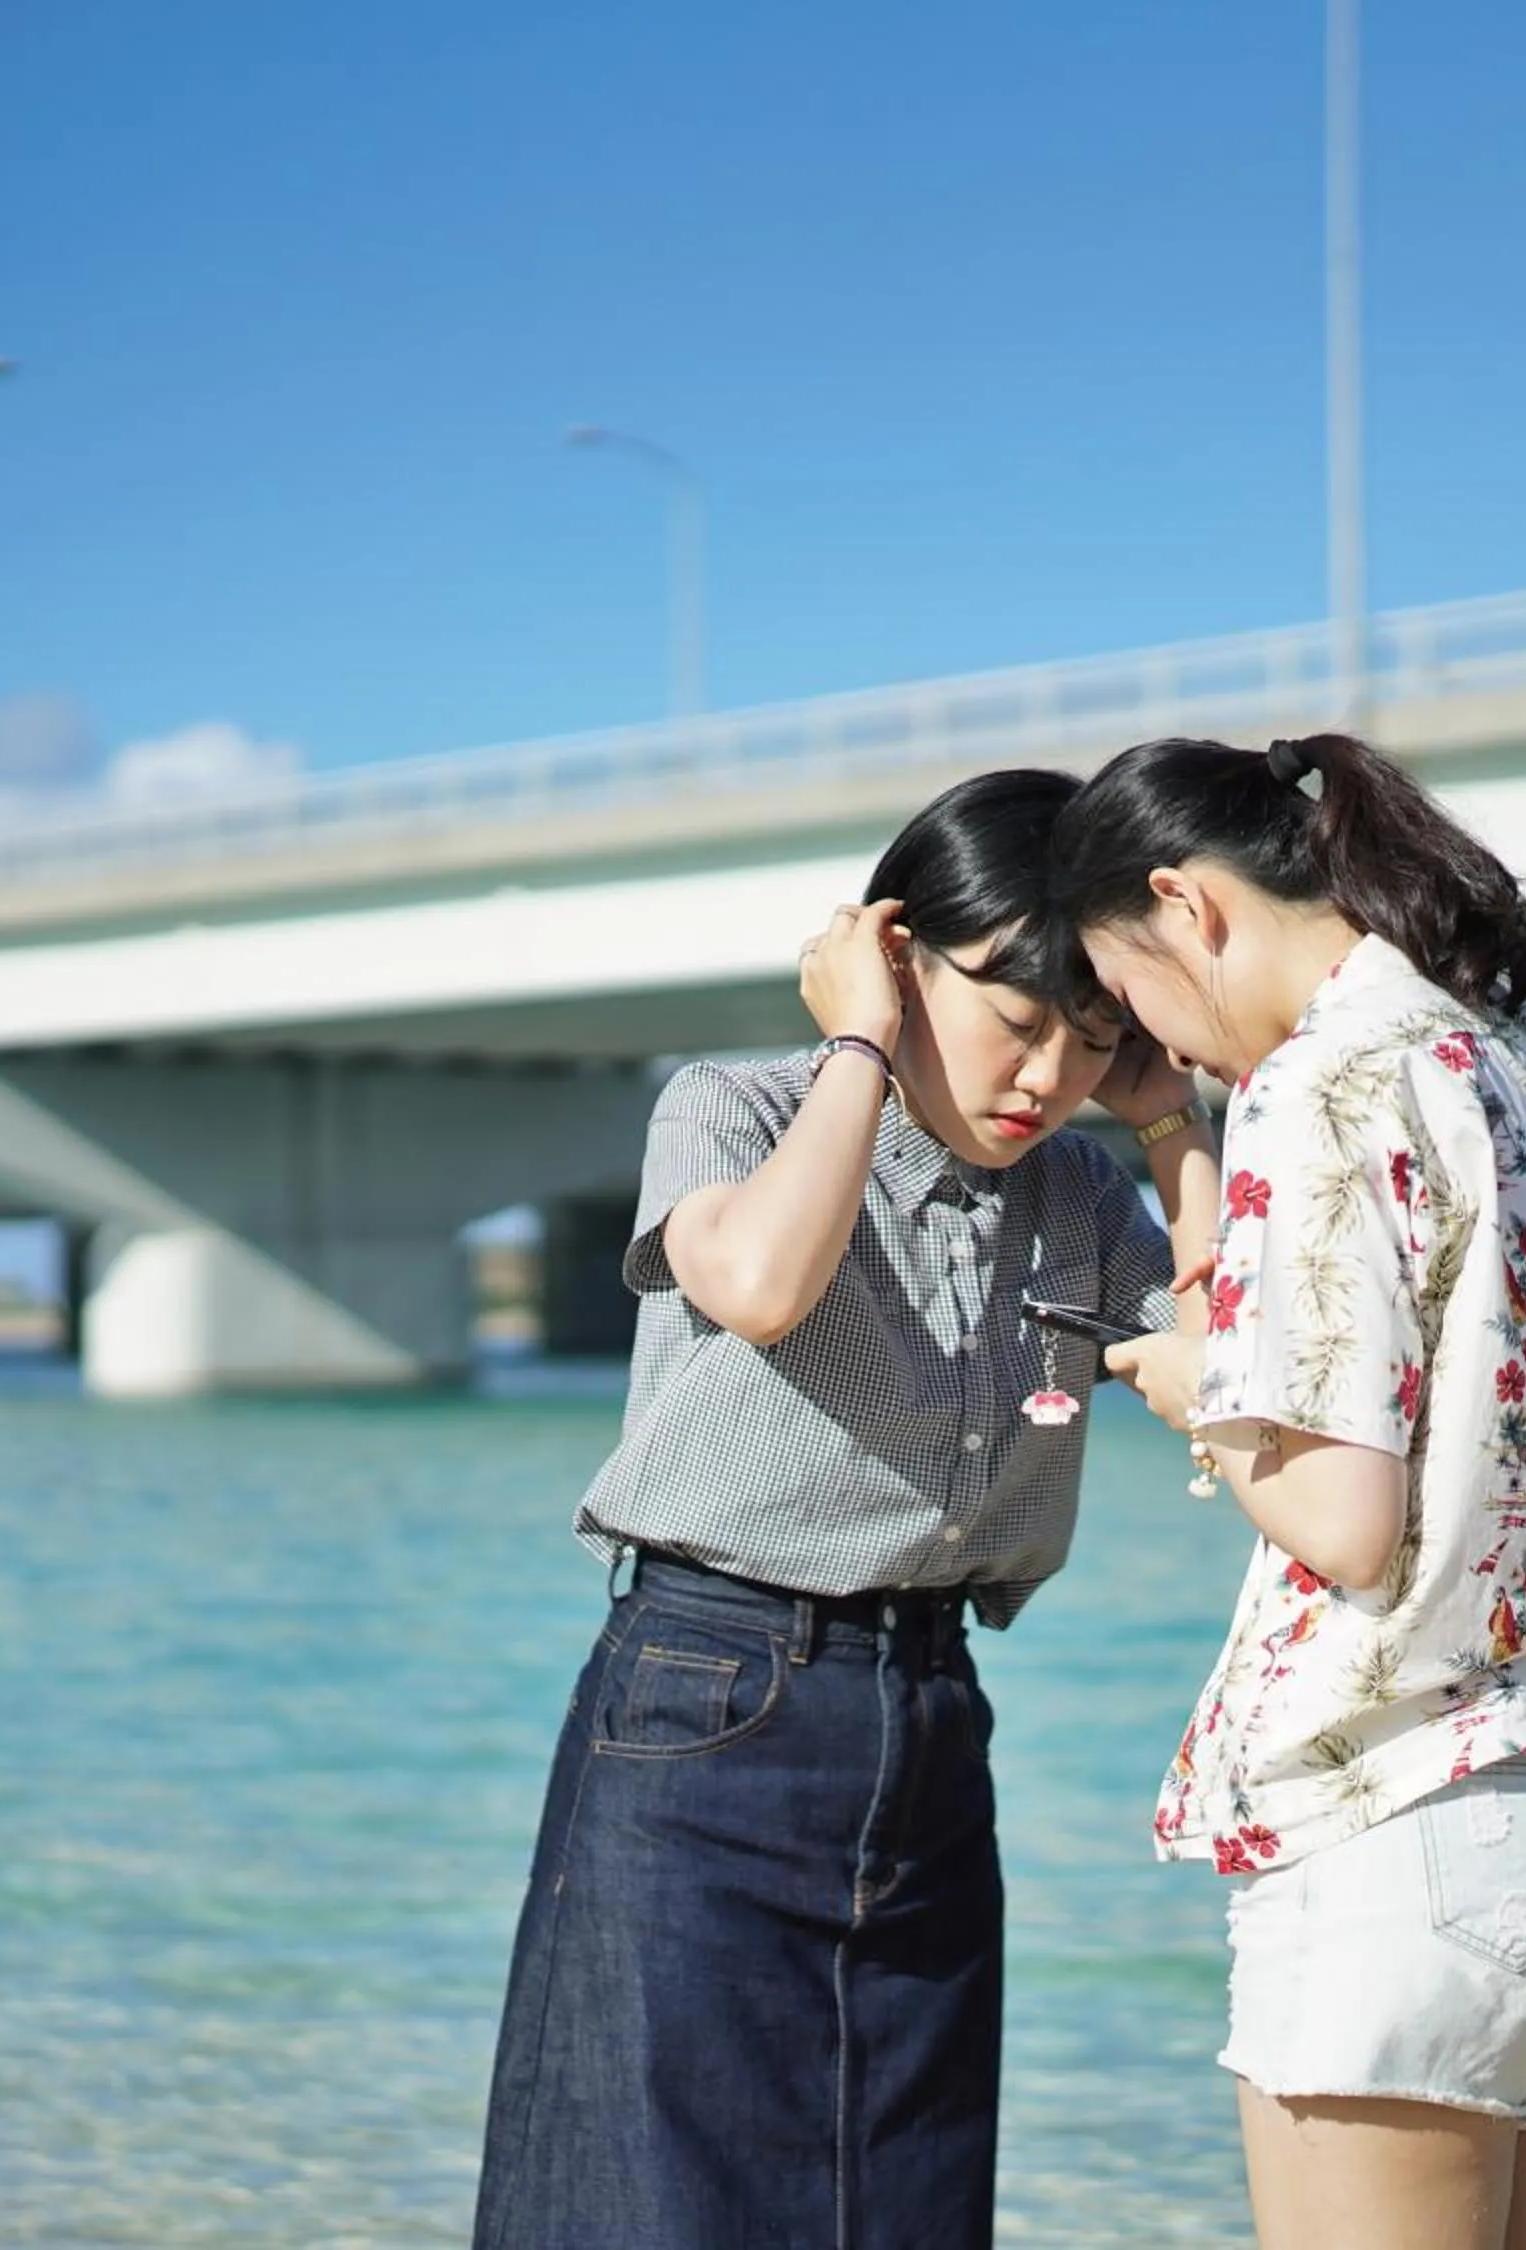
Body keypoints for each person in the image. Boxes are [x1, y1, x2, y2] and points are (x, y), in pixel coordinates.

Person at [471, 768, 1220, 2250]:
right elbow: (759, 1285)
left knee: (908, 2199)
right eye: (1017, 1024)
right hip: (707, 1705)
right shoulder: (734, 1107)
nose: (1045, 1080)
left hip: (932, 1716)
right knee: (646, 2199)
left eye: (1091, 1043)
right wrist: (858, 1048)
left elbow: (1238, 1359)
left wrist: (1171, 1130)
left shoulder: (1078, 1193)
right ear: (894, 955)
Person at [1051, 733, 1526, 2250]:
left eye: (1126, 986)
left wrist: (1198, 1390)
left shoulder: (1323, 1083)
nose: (1152, 1038)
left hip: (1409, 1811)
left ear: (1184, 904)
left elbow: (1346, 1519)